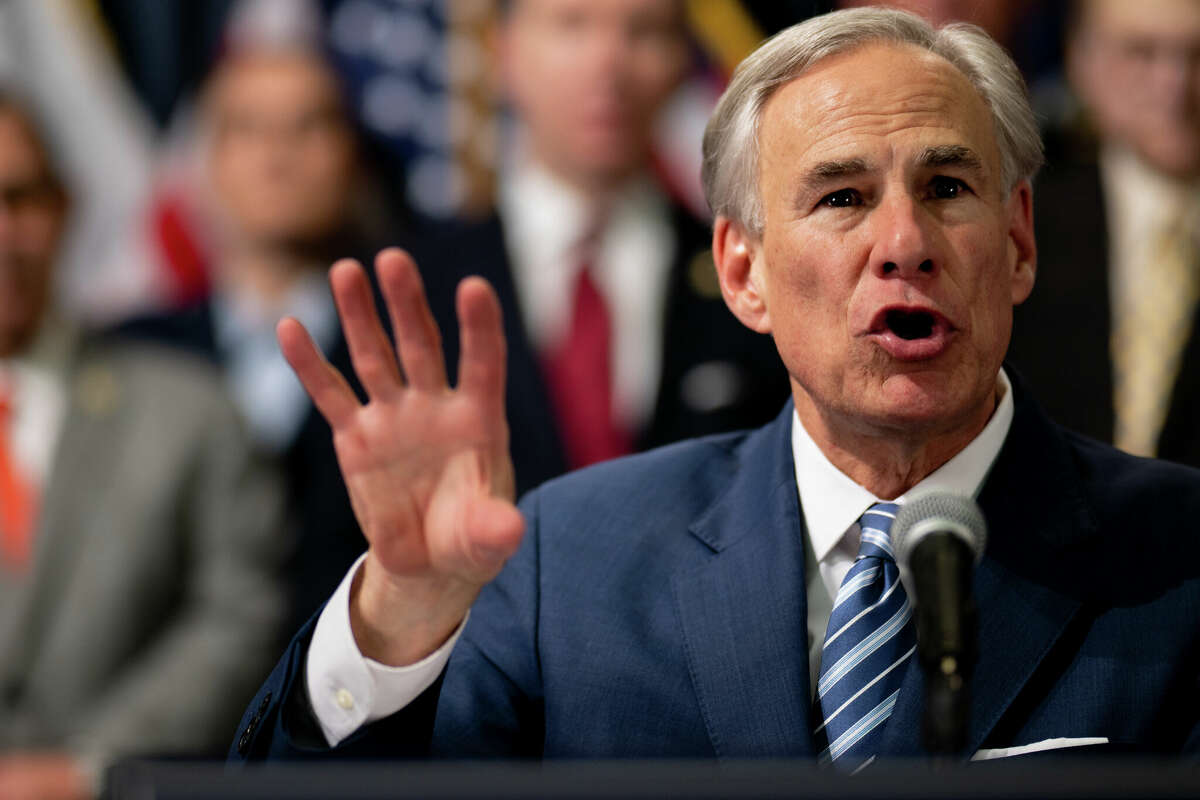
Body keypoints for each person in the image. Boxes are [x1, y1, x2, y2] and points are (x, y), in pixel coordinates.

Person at [231, 7, 1200, 765]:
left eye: (948, 188)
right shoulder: (567, 562)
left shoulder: (1180, 554)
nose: (903, 244)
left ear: (1020, 239)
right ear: (744, 273)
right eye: (842, 197)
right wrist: (402, 611)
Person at [0, 94, 286, 799]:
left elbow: (239, 613)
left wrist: (89, 767)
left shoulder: (194, 409)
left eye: (20, 198)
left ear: (65, 207)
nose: (2, 232)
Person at [408, 0, 790, 493]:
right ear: (500, 53)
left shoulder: (753, 278)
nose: (609, 62)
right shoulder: (411, 289)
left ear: (682, 61)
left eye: (645, 31)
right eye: (572, 24)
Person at [119, 42, 381, 630]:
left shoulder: (408, 355)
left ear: (352, 156)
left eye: (308, 126)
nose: (278, 155)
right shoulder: (129, 354)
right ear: (207, 160)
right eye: (248, 129)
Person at [1007, 0, 1200, 466]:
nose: (1174, 85)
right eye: (1141, 52)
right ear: (1082, 61)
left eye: (1198, 55)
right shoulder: (1015, 226)